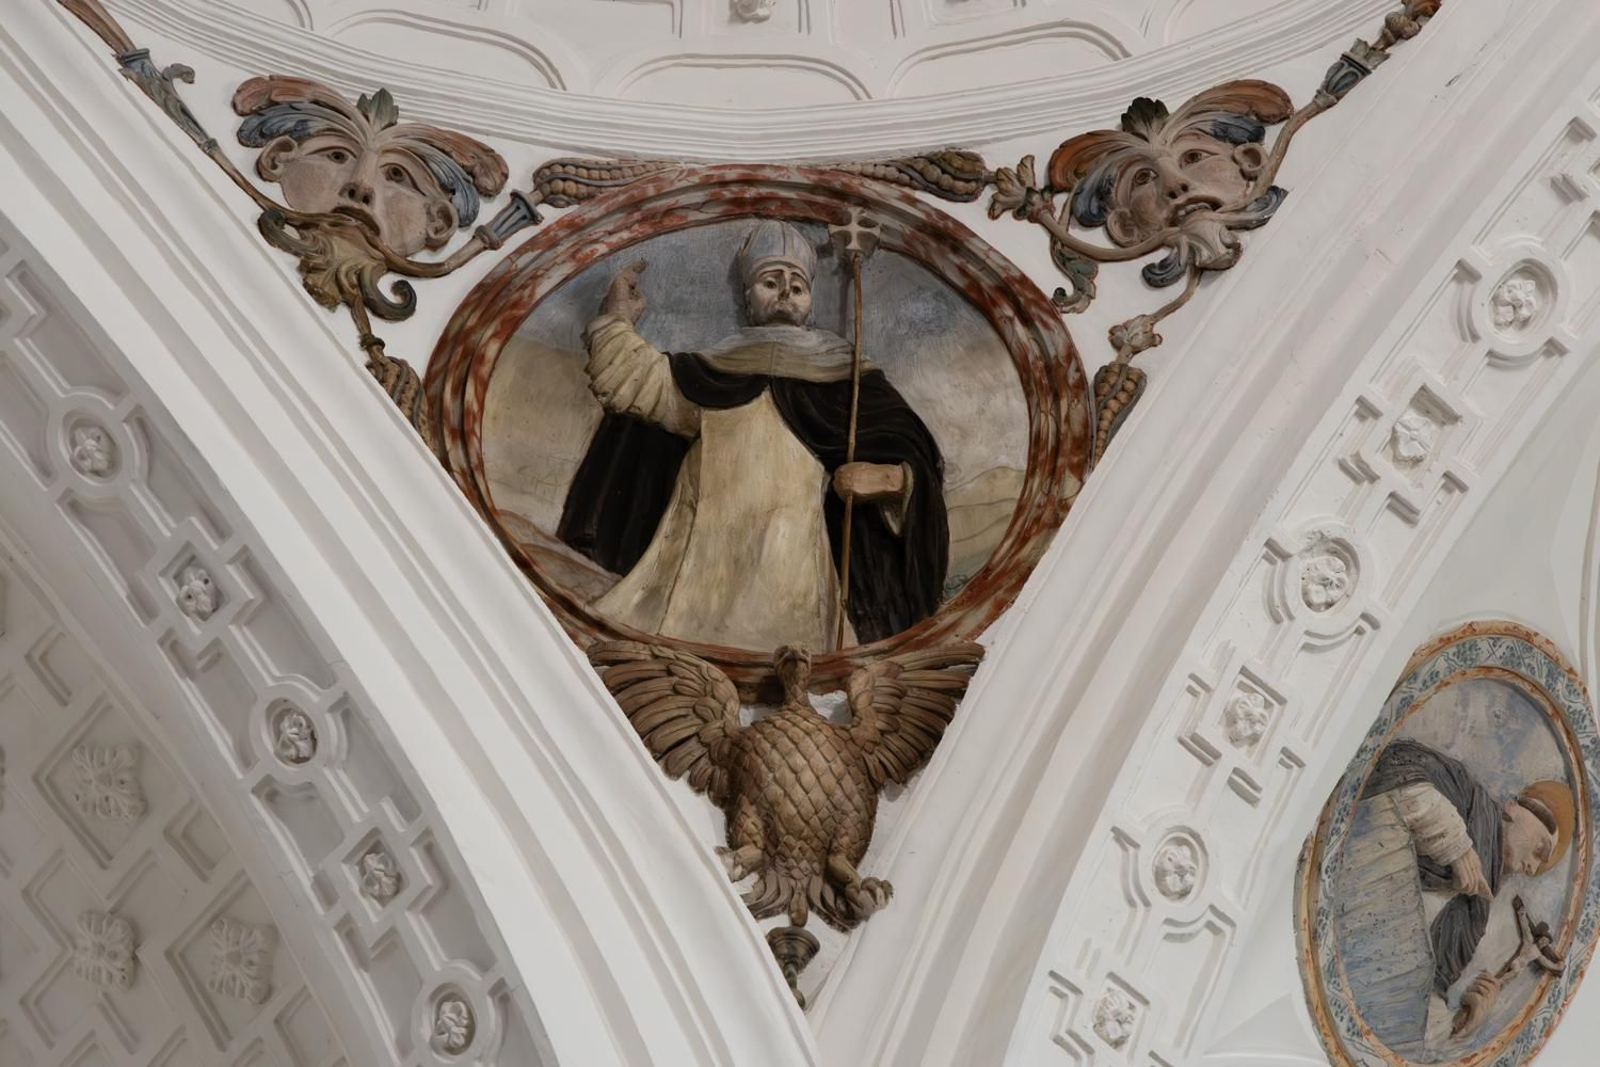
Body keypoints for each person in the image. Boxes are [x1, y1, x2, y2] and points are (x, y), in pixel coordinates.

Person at [557, 220, 948, 652]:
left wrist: (889, 480)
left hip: (794, 559)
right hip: (699, 555)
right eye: (770, 281)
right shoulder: (714, 369)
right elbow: (641, 386)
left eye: (797, 287)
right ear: (747, 297)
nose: (785, 293)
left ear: (810, 302)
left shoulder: (849, 380)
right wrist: (617, 319)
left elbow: (916, 457)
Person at [1347, 739, 1574, 1051]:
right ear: (1512, 809)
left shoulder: (1473, 918)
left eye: (1539, 865)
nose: (1533, 866)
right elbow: (1390, 767)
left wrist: (1459, 1023)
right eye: (1539, 849)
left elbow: (1414, 1009)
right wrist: (1456, 844)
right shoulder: (1464, 793)